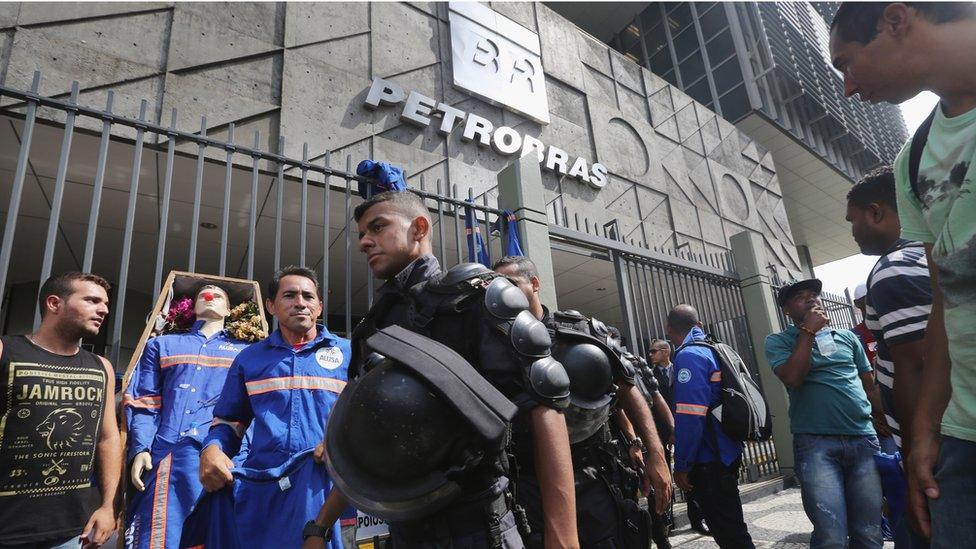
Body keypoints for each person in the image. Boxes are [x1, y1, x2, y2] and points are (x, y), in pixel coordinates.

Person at [309, 191, 579, 548]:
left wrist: (563, 538)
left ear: (419, 228)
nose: (364, 242)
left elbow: (545, 403)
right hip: (407, 530)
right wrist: (321, 525)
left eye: (377, 227)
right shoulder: (373, 327)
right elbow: (367, 438)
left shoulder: (475, 299)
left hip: (479, 526)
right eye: (361, 234)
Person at [829, 3, 976, 543]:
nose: (846, 87)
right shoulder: (913, 160)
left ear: (895, 20)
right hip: (963, 438)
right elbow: (946, 305)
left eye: (847, 63)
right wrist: (926, 434)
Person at [493, 255, 672, 548]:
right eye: (498, 285)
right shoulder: (494, 345)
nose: (504, 291)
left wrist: (655, 453)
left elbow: (628, 389)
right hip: (527, 483)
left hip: (591, 476)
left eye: (511, 283)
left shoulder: (577, 331)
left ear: (535, 284)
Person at [194, 266, 348, 548]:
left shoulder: (348, 353)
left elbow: (371, 418)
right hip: (265, 492)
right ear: (271, 306)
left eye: (308, 296)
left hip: (330, 490)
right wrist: (211, 450)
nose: (300, 302)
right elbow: (229, 423)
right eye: (289, 295)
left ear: (320, 306)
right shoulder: (249, 359)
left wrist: (342, 441)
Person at [123, 284, 252, 549]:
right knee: (158, 537)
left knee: (218, 537)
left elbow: (255, 410)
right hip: (166, 457)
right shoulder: (161, 345)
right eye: (203, 295)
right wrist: (141, 447)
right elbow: (145, 401)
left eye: (218, 296)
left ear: (230, 309)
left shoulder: (247, 352)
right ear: (191, 307)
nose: (209, 297)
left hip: (226, 460)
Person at [0, 272, 121, 548]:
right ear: (54, 303)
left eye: (105, 303)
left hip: (72, 531)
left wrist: (107, 506)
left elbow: (108, 438)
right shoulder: (6, 351)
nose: (103, 309)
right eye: (92, 300)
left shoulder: (101, 367)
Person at [846, 166, 933, 548]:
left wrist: (916, 461)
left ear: (877, 212)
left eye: (854, 220)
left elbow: (916, 366)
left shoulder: (892, 270)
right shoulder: (930, 255)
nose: (852, 230)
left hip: (936, 448)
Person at [765, 280, 885, 548]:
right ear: (786, 310)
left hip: (863, 441)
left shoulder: (848, 338)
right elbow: (793, 378)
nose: (810, 300)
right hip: (817, 445)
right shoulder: (778, 341)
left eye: (813, 295)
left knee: (869, 534)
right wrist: (808, 331)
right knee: (831, 537)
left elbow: (869, 386)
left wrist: (887, 419)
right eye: (799, 297)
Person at [667, 304, 754, 549]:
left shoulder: (688, 356)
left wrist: (682, 464)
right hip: (727, 451)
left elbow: (690, 416)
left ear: (669, 329)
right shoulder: (714, 349)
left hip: (710, 458)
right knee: (732, 524)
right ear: (699, 326)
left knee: (729, 532)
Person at [647, 339, 710, 539]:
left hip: (683, 428)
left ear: (666, 352)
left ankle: (697, 518)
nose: (650, 355)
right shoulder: (649, 375)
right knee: (662, 474)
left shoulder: (682, 369)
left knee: (688, 473)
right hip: (659, 432)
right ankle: (666, 521)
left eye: (654, 351)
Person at [850, 284, 879, 367]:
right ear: (857, 303)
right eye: (868, 298)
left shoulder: (891, 328)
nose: (873, 302)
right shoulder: (853, 336)